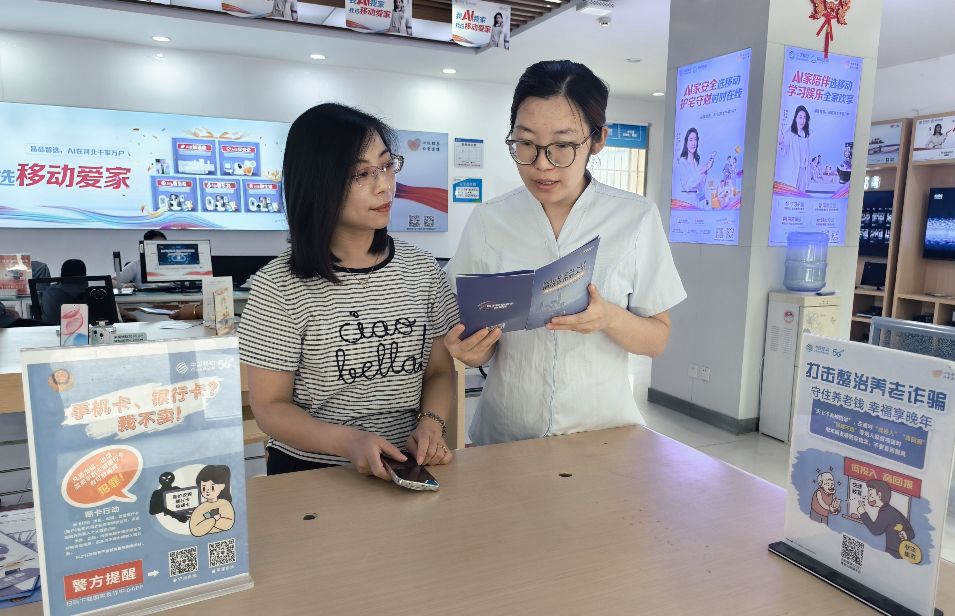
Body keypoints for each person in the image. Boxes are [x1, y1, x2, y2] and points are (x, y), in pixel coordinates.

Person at [444, 60, 686, 446]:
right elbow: (470, 339)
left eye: (563, 145)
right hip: (506, 436)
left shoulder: (635, 218)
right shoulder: (490, 221)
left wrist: (608, 317)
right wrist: (470, 352)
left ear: (598, 139)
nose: (542, 164)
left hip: (602, 435)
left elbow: (656, 340)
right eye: (526, 143)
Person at [237, 103, 460, 477]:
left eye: (387, 166)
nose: (384, 185)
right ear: (318, 183)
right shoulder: (277, 286)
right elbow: (270, 407)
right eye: (361, 174)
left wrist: (431, 423)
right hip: (311, 471)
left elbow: (439, 370)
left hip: (406, 465)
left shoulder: (422, 270)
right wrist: (349, 442)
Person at [855, 479, 915, 559]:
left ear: (879, 495)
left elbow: (875, 530)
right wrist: (906, 534)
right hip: (902, 553)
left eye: (870, 495)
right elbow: (911, 532)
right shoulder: (892, 510)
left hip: (895, 553)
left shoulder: (885, 512)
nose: (868, 498)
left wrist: (863, 513)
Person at [188, 465, 235, 537]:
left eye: (212, 487)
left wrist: (208, 523)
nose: (207, 491)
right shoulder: (200, 508)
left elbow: (228, 524)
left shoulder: (225, 504)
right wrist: (214, 519)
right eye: (204, 487)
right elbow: (195, 530)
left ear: (222, 486)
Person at [675, 127, 714, 208]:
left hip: (697, 202)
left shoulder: (697, 162)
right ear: (686, 143)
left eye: (695, 139)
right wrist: (701, 171)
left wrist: (705, 171)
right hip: (686, 202)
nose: (693, 143)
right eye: (691, 140)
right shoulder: (683, 161)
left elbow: (700, 186)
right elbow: (687, 186)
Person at [39, 259, 87, 324]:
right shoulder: (83, 293)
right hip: (77, 328)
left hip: (51, 329)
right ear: (84, 276)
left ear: (62, 274)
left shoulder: (49, 292)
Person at [777, 105, 811, 192]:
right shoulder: (790, 134)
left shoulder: (806, 135)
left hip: (804, 172)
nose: (802, 120)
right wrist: (780, 143)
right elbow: (783, 152)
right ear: (795, 118)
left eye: (804, 118)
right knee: (793, 194)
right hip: (794, 170)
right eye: (800, 117)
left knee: (802, 194)